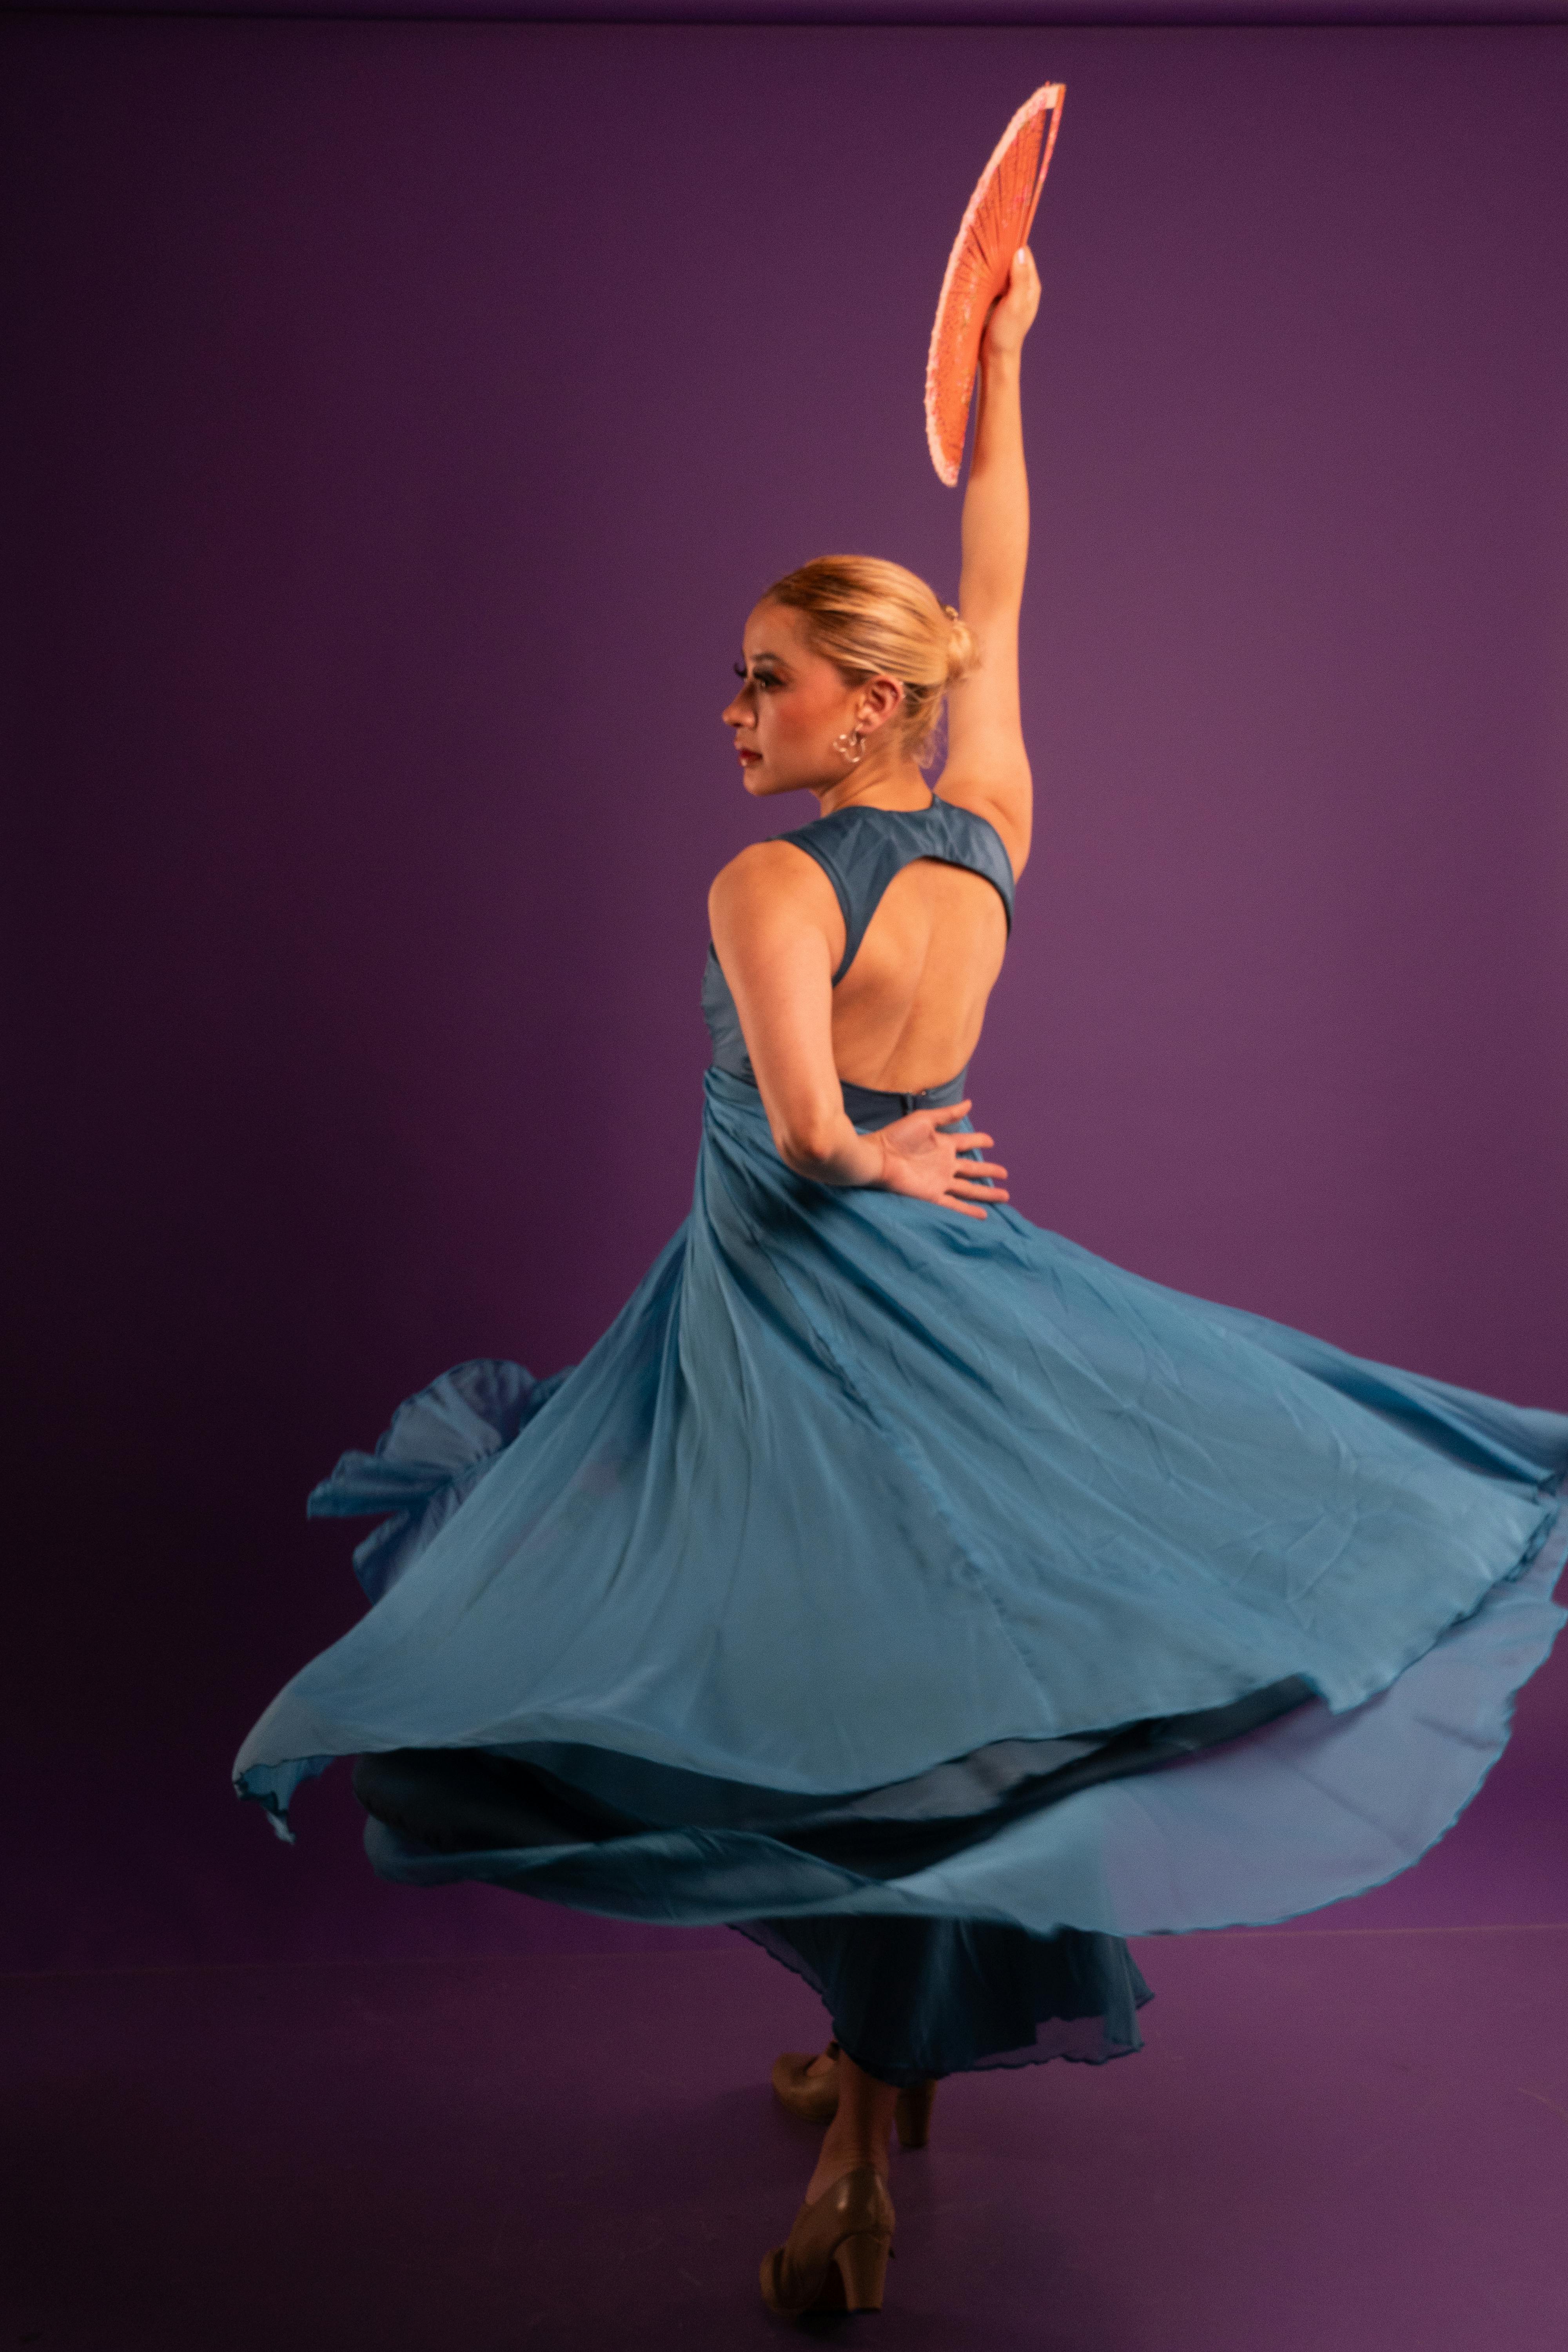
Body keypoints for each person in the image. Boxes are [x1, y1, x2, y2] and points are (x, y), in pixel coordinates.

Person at [235, 250, 1567, 2319]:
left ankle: (858, 2163)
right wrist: (1014, 362)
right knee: (936, 1704)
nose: (735, 706)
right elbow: (1006, 590)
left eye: (768, 674)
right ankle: (878, 2087)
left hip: (800, 1331)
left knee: (823, 1707)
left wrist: (862, 1149)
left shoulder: (763, 875)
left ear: (867, 697)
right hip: (964, 1307)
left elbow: (798, 1117)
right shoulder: (994, 823)